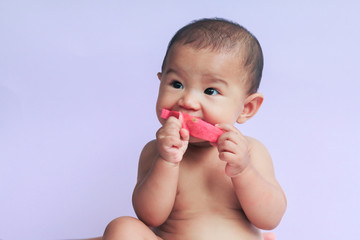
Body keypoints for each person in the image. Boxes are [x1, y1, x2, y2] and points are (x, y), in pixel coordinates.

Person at [102, 18, 287, 240]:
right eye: (176, 84)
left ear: (246, 108)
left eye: (210, 91)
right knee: (123, 228)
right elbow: (150, 217)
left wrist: (244, 170)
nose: (187, 101)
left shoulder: (251, 151)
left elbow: (270, 218)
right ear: (160, 83)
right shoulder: (155, 152)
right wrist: (167, 161)